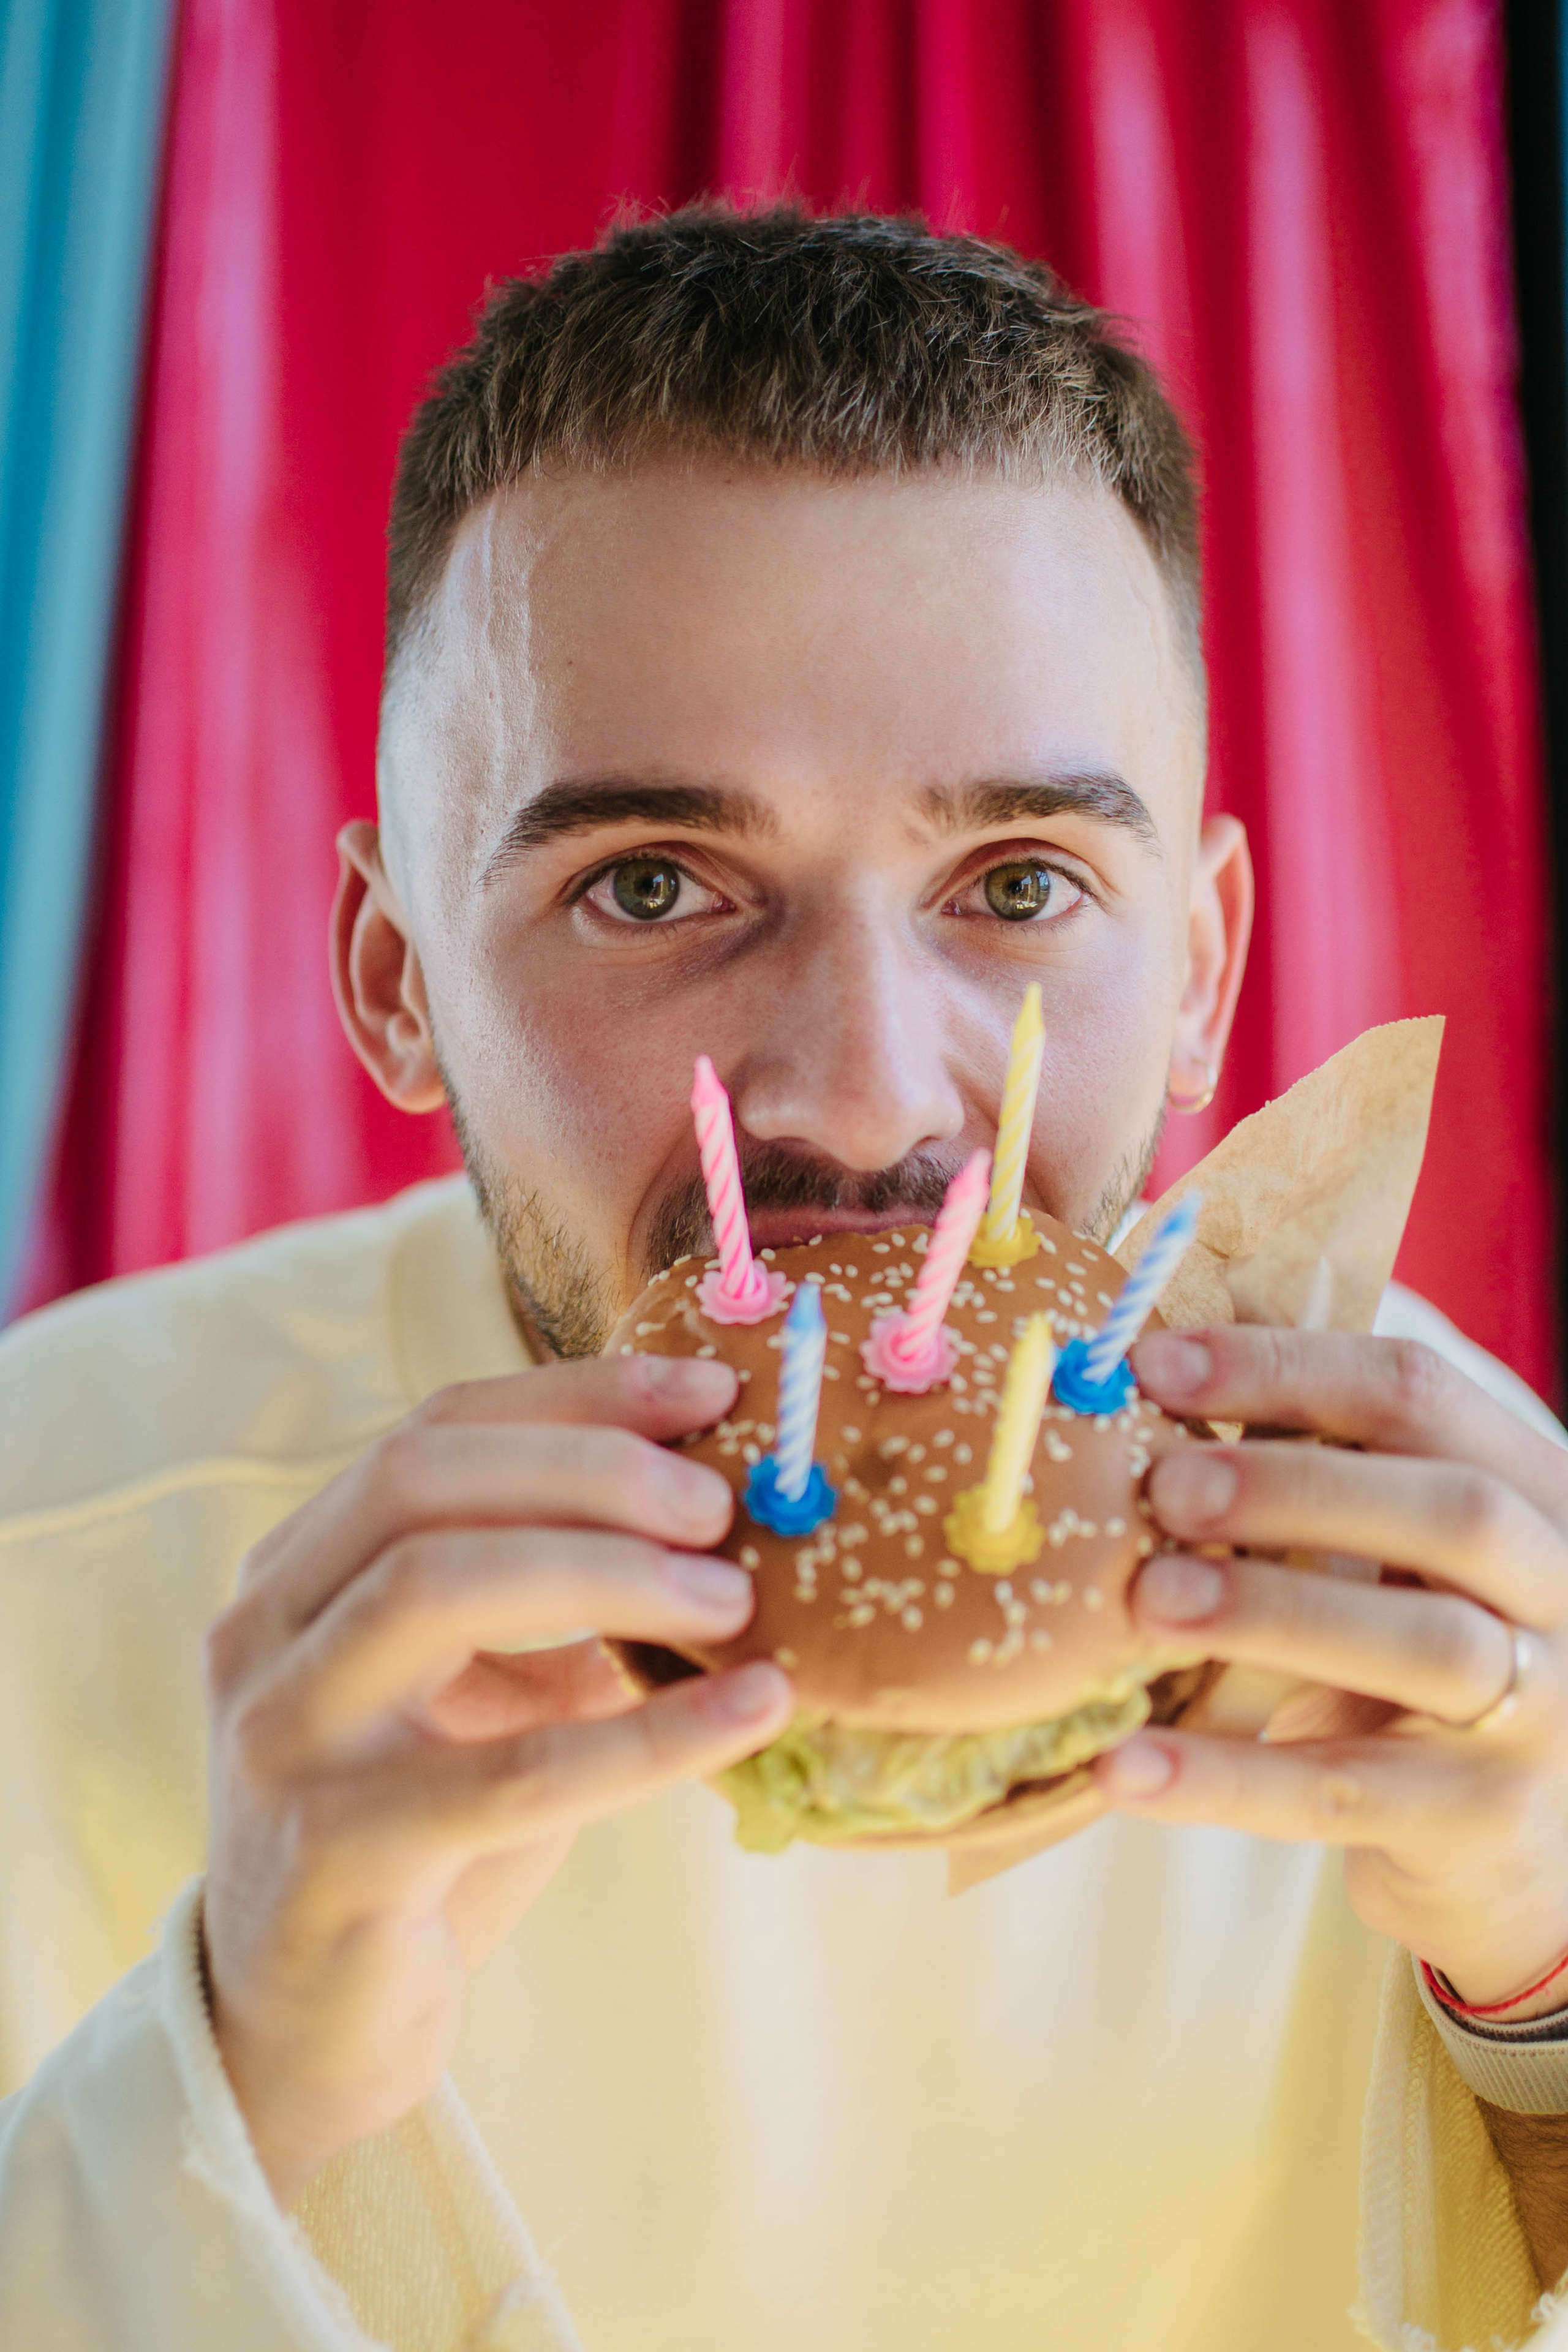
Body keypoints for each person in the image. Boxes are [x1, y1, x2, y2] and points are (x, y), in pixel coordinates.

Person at [2, 206, 1567, 2352]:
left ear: (1198, 975)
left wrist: (1550, 2006)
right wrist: (222, 2083)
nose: (859, 1093)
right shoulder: (39, 1538)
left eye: (1019, 883)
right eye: (652, 883)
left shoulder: (1459, 1580)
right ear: (395, 979)